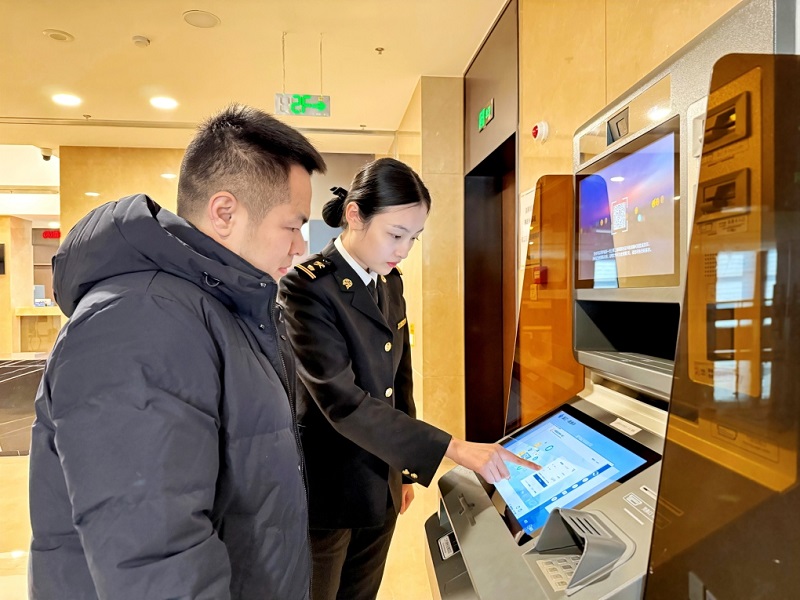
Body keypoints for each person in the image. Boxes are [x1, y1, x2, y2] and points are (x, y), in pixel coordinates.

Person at [28, 104, 326, 600]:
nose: (300, 248)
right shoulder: (140, 320)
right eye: (292, 226)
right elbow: (152, 560)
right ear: (225, 212)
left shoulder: (219, 310)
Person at [279, 157, 540, 600]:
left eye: (414, 238)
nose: (403, 250)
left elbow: (399, 380)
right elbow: (344, 402)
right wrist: (453, 448)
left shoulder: (389, 281)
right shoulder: (307, 289)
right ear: (355, 215)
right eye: (395, 234)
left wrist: (401, 472)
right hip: (329, 491)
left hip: (380, 483)